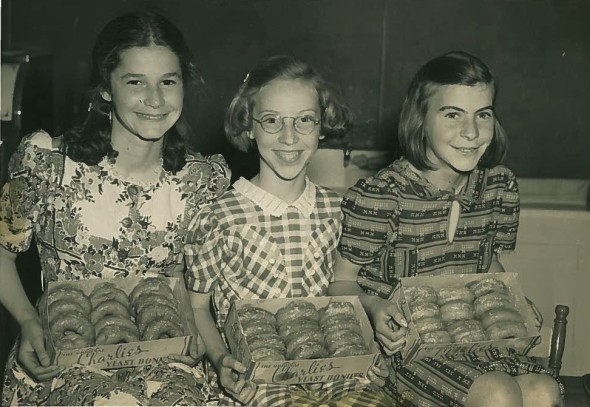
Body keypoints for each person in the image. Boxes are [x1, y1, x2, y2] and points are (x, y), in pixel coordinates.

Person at [0, 10, 230, 406]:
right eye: (135, 82)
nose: (155, 100)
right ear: (106, 88)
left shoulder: (204, 179)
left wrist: (193, 327)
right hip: (63, 363)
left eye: (168, 82)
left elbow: (198, 293)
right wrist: (27, 321)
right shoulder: (45, 163)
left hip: (171, 364)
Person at [328, 51, 564, 407]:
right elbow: (339, 283)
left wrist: (514, 302)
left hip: (471, 338)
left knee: (543, 393)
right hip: (404, 350)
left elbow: (486, 268)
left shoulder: (496, 188)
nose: (470, 132)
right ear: (420, 119)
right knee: (498, 395)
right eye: (453, 114)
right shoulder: (384, 195)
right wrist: (375, 308)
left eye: (482, 114)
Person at [184, 55, 392, 406]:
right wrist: (221, 360)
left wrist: (369, 349)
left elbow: (347, 294)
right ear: (248, 126)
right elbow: (197, 307)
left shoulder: (338, 209)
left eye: (305, 120)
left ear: (322, 126)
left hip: (332, 373)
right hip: (256, 381)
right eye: (271, 120)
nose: (289, 137)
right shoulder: (218, 218)